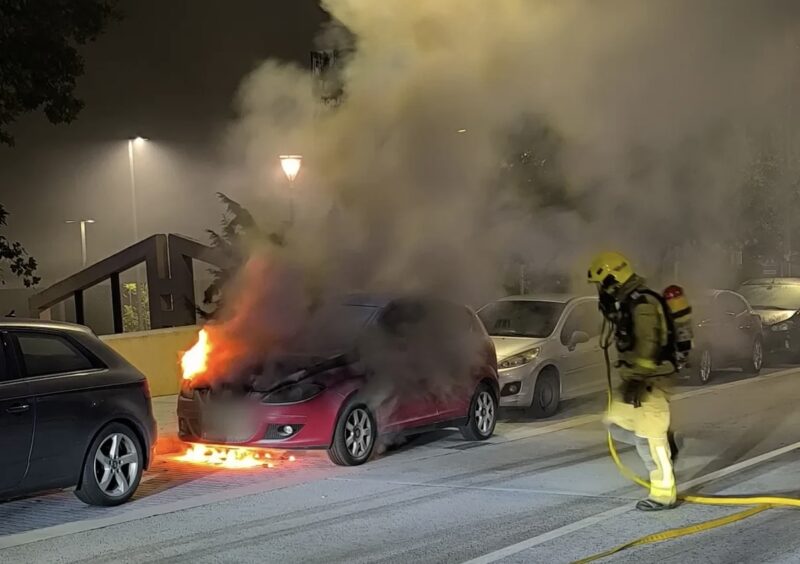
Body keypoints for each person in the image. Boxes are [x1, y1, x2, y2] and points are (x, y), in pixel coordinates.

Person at [587, 251, 679, 511]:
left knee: (652, 441)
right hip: (636, 382)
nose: (599, 291)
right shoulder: (627, 303)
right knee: (616, 424)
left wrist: (638, 378)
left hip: (650, 384)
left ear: (612, 279)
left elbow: (648, 345)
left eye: (600, 285)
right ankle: (666, 439)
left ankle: (664, 493)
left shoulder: (642, 305)